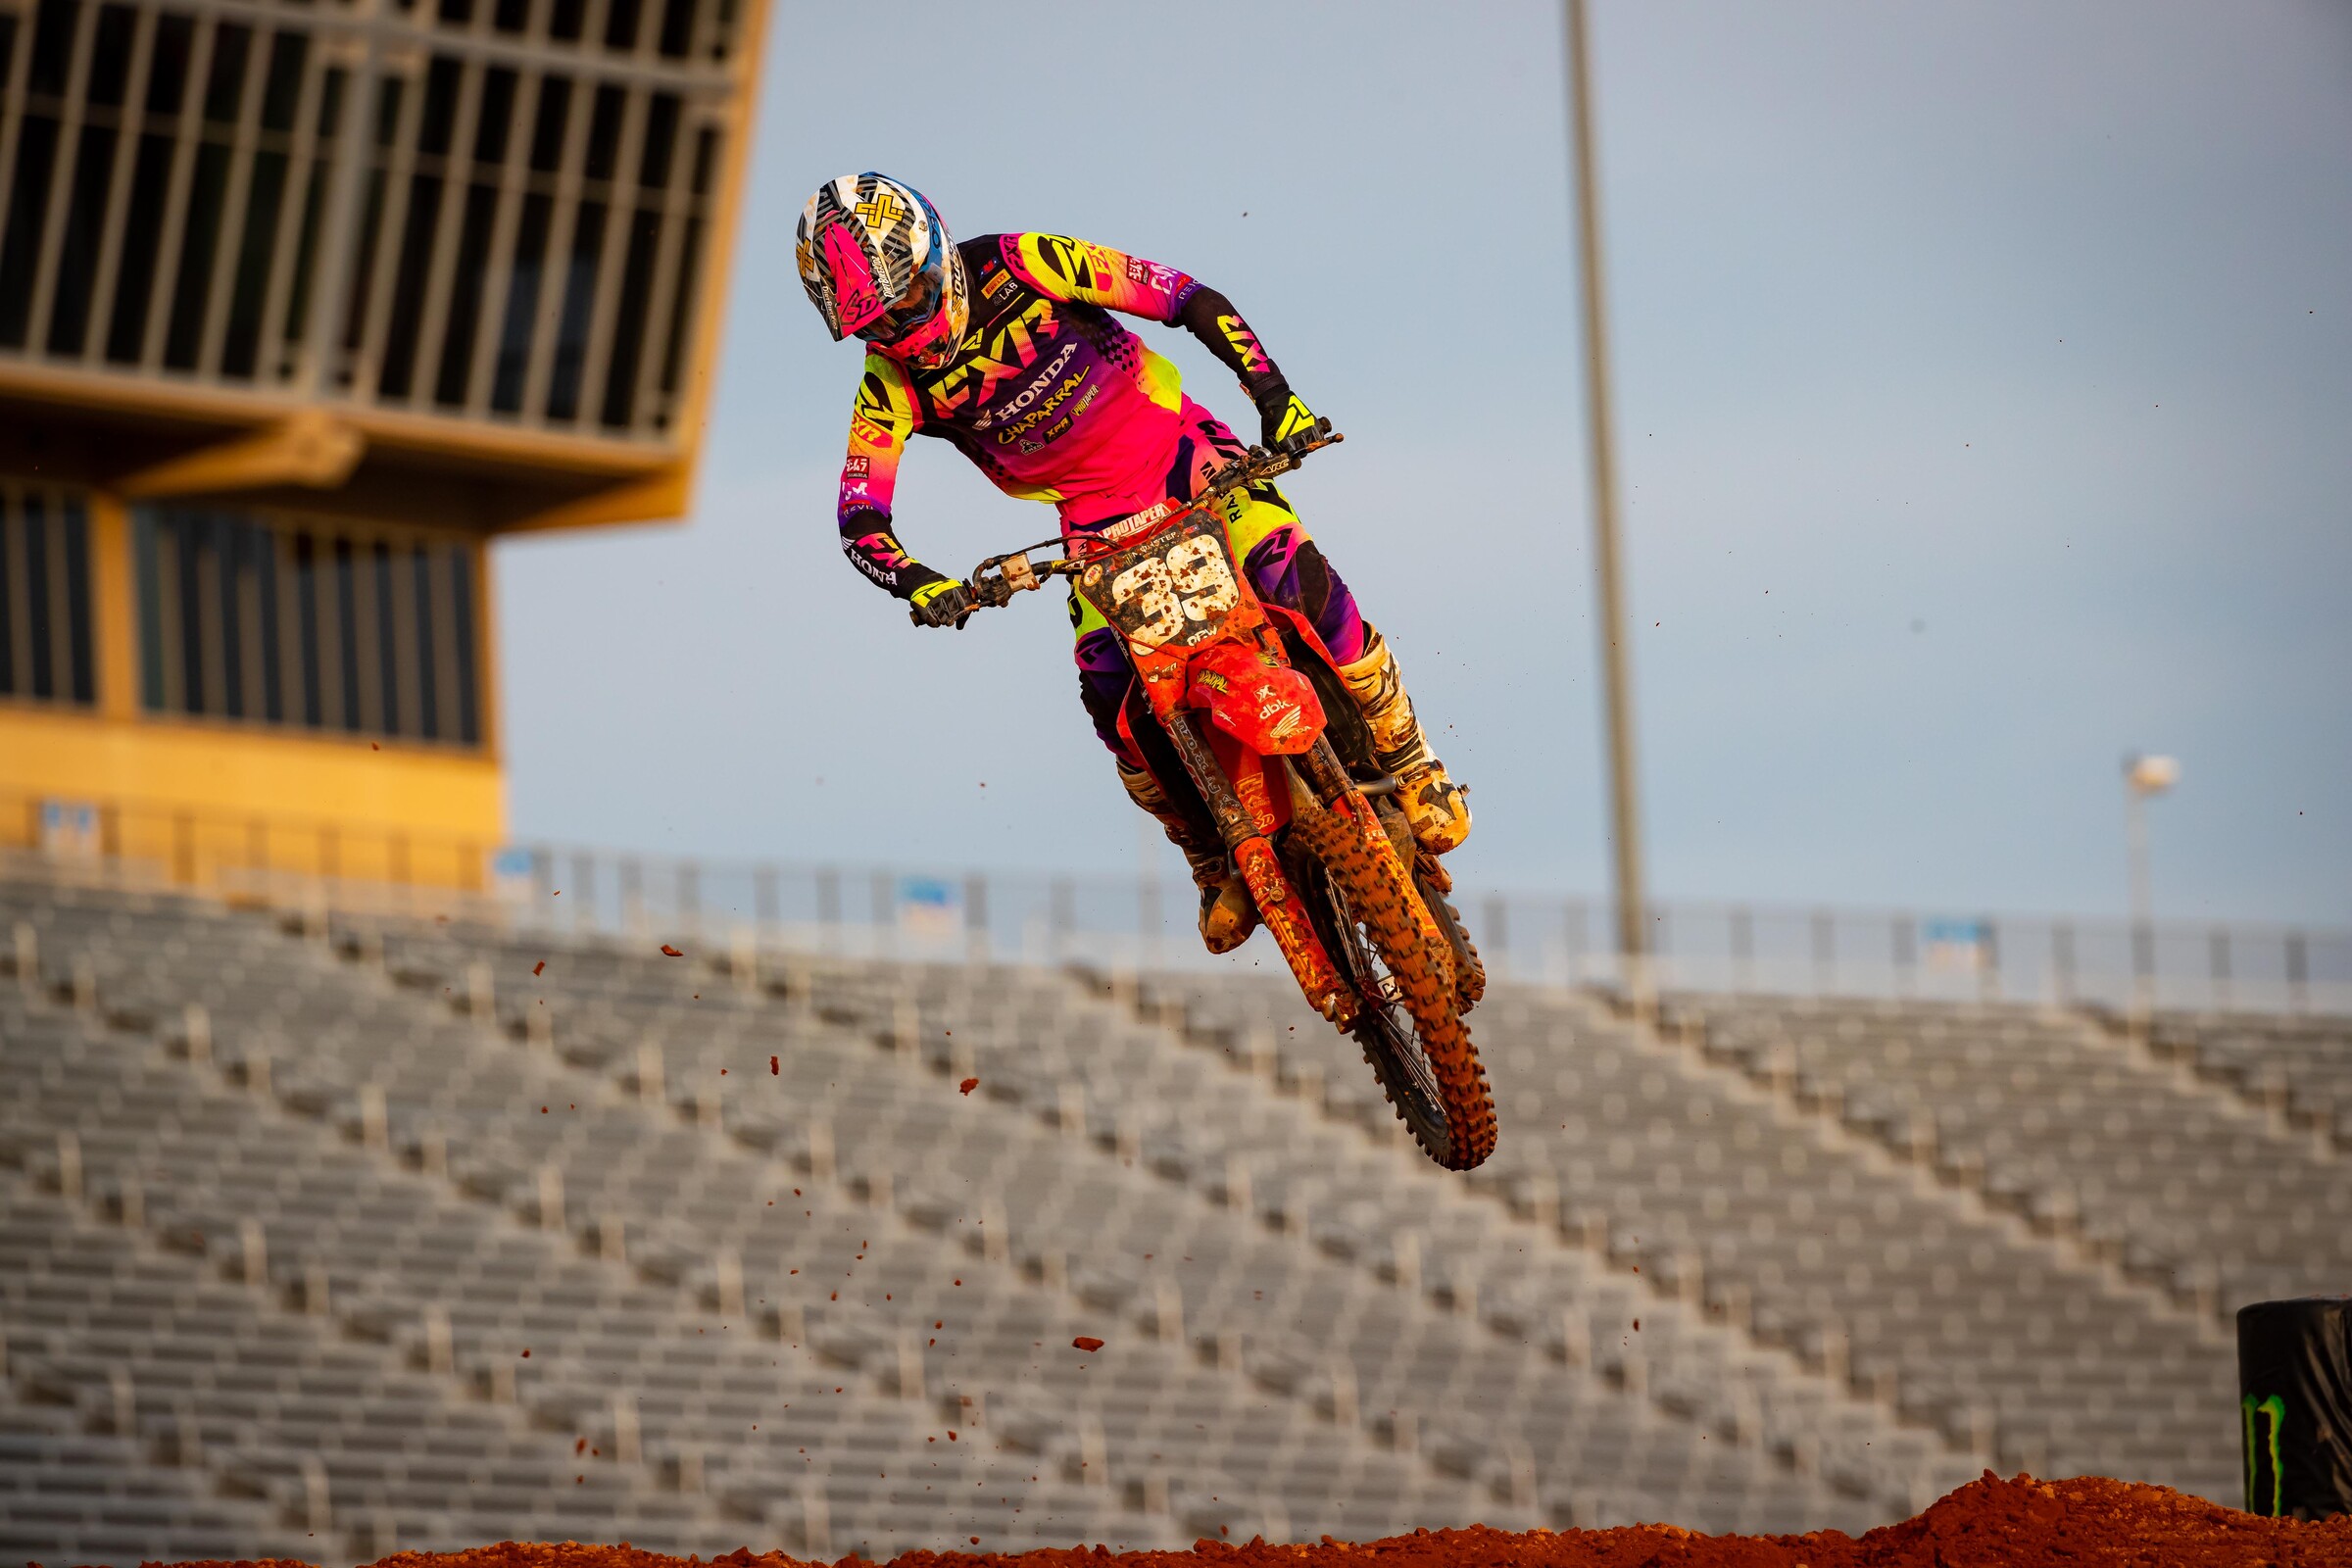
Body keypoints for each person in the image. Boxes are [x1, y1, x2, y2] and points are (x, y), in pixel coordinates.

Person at [797, 172, 1468, 954]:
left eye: (909, 299)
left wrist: (1276, 400)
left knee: (1301, 581)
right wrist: (928, 586)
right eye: (877, 323)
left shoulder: (1022, 262)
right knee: (1111, 697)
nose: (903, 329)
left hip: (1193, 461)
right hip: (1091, 535)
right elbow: (860, 517)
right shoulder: (889, 382)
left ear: (936, 252)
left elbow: (1184, 296)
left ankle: (1413, 763)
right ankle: (1212, 859)